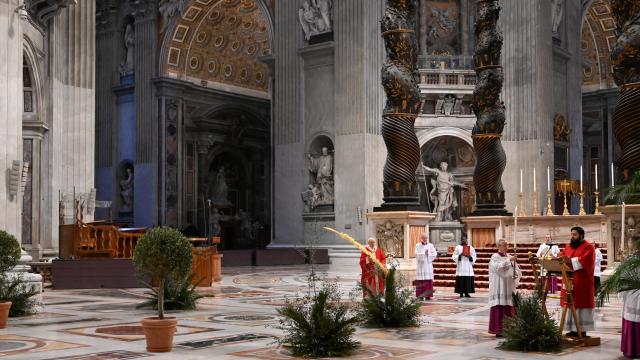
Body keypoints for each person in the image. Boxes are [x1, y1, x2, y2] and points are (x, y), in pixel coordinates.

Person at [560, 226, 595, 337]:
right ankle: (571, 329)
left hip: (582, 281)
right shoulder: (568, 247)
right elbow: (562, 256)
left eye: (575, 235)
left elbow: (585, 261)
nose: (573, 237)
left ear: (581, 235)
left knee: (581, 304)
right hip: (569, 280)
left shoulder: (588, 247)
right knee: (569, 304)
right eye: (571, 234)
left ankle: (582, 329)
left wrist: (570, 260)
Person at [488, 238, 521, 337]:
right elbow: (498, 268)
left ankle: (509, 329)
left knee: (508, 305)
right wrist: (509, 260)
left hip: (508, 285)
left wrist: (516, 273)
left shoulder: (510, 257)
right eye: (504, 245)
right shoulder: (495, 257)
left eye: (507, 245)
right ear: (499, 246)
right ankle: (498, 330)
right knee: (499, 305)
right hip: (499, 286)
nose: (507, 247)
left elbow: (517, 270)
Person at [621, 235, 640, 359]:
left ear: (634, 244)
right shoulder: (631, 258)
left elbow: (625, 276)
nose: (628, 244)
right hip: (635, 292)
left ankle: (633, 349)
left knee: (633, 321)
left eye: (629, 242)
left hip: (633, 293)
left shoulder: (632, 259)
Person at [415, 233, 437, 300]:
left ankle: (428, 295)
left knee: (428, 280)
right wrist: (423, 254)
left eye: (426, 238)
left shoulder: (430, 245)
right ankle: (420, 295)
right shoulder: (417, 245)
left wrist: (429, 254)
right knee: (420, 280)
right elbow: (416, 254)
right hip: (421, 265)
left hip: (428, 265)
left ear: (427, 238)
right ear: (421, 238)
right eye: (423, 238)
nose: (424, 239)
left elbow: (435, 253)